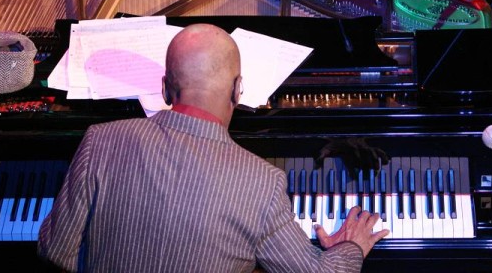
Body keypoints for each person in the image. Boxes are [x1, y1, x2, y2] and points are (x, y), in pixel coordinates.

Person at [37, 23, 389, 272]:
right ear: (238, 90)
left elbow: (56, 253)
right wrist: (351, 247)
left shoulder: (101, 140)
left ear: (163, 88)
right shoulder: (261, 183)